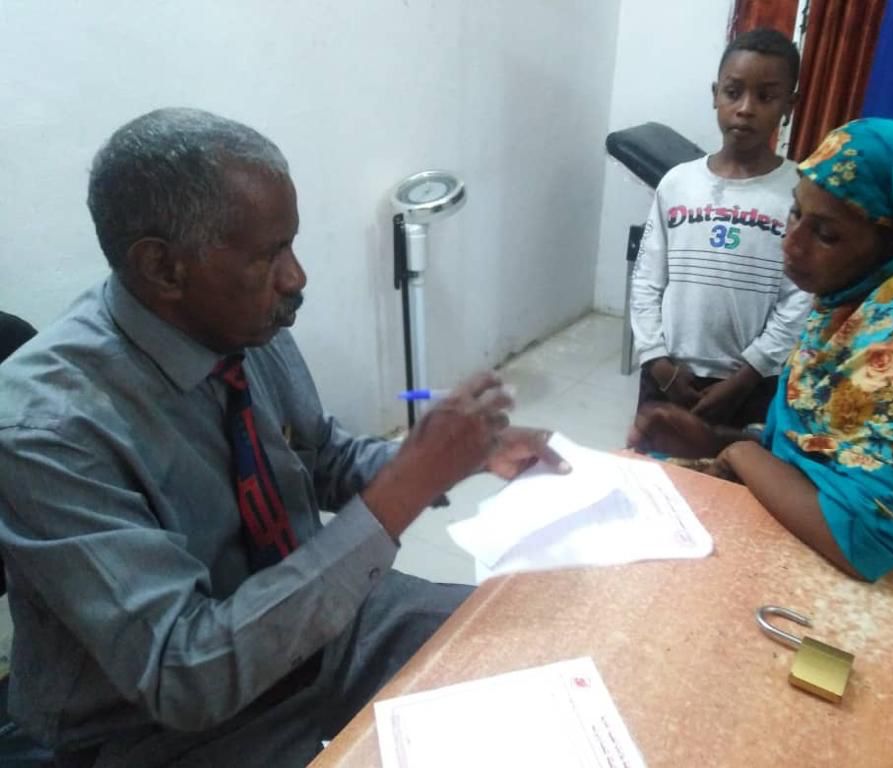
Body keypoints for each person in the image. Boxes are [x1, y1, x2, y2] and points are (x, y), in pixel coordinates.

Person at [0, 108, 568, 767]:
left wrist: (450, 459)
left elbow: (318, 455)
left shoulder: (241, 322)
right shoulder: (46, 430)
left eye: (290, 245)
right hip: (163, 724)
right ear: (164, 269)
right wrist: (403, 490)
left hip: (318, 627)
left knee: (539, 661)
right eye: (268, 255)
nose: (296, 277)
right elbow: (184, 673)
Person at [629, 118, 893, 582]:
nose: (792, 243)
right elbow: (824, 442)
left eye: (826, 234)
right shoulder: (852, 294)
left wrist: (740, 454)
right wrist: (715, 440)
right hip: (812, 527)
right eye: (795, 212)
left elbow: (869, 541)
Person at [630, 27, 812, 428]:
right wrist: (657, 360)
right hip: (669, 371)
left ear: (790, 104)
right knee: (654, 461)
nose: (745, 108)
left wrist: (748, 374)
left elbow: (800, 297)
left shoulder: (801, 191)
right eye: (733, 92)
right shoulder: (677, 183)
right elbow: (646, 279)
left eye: (765, 96)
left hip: (752, 381)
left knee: (734, 463)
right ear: (716, 94)